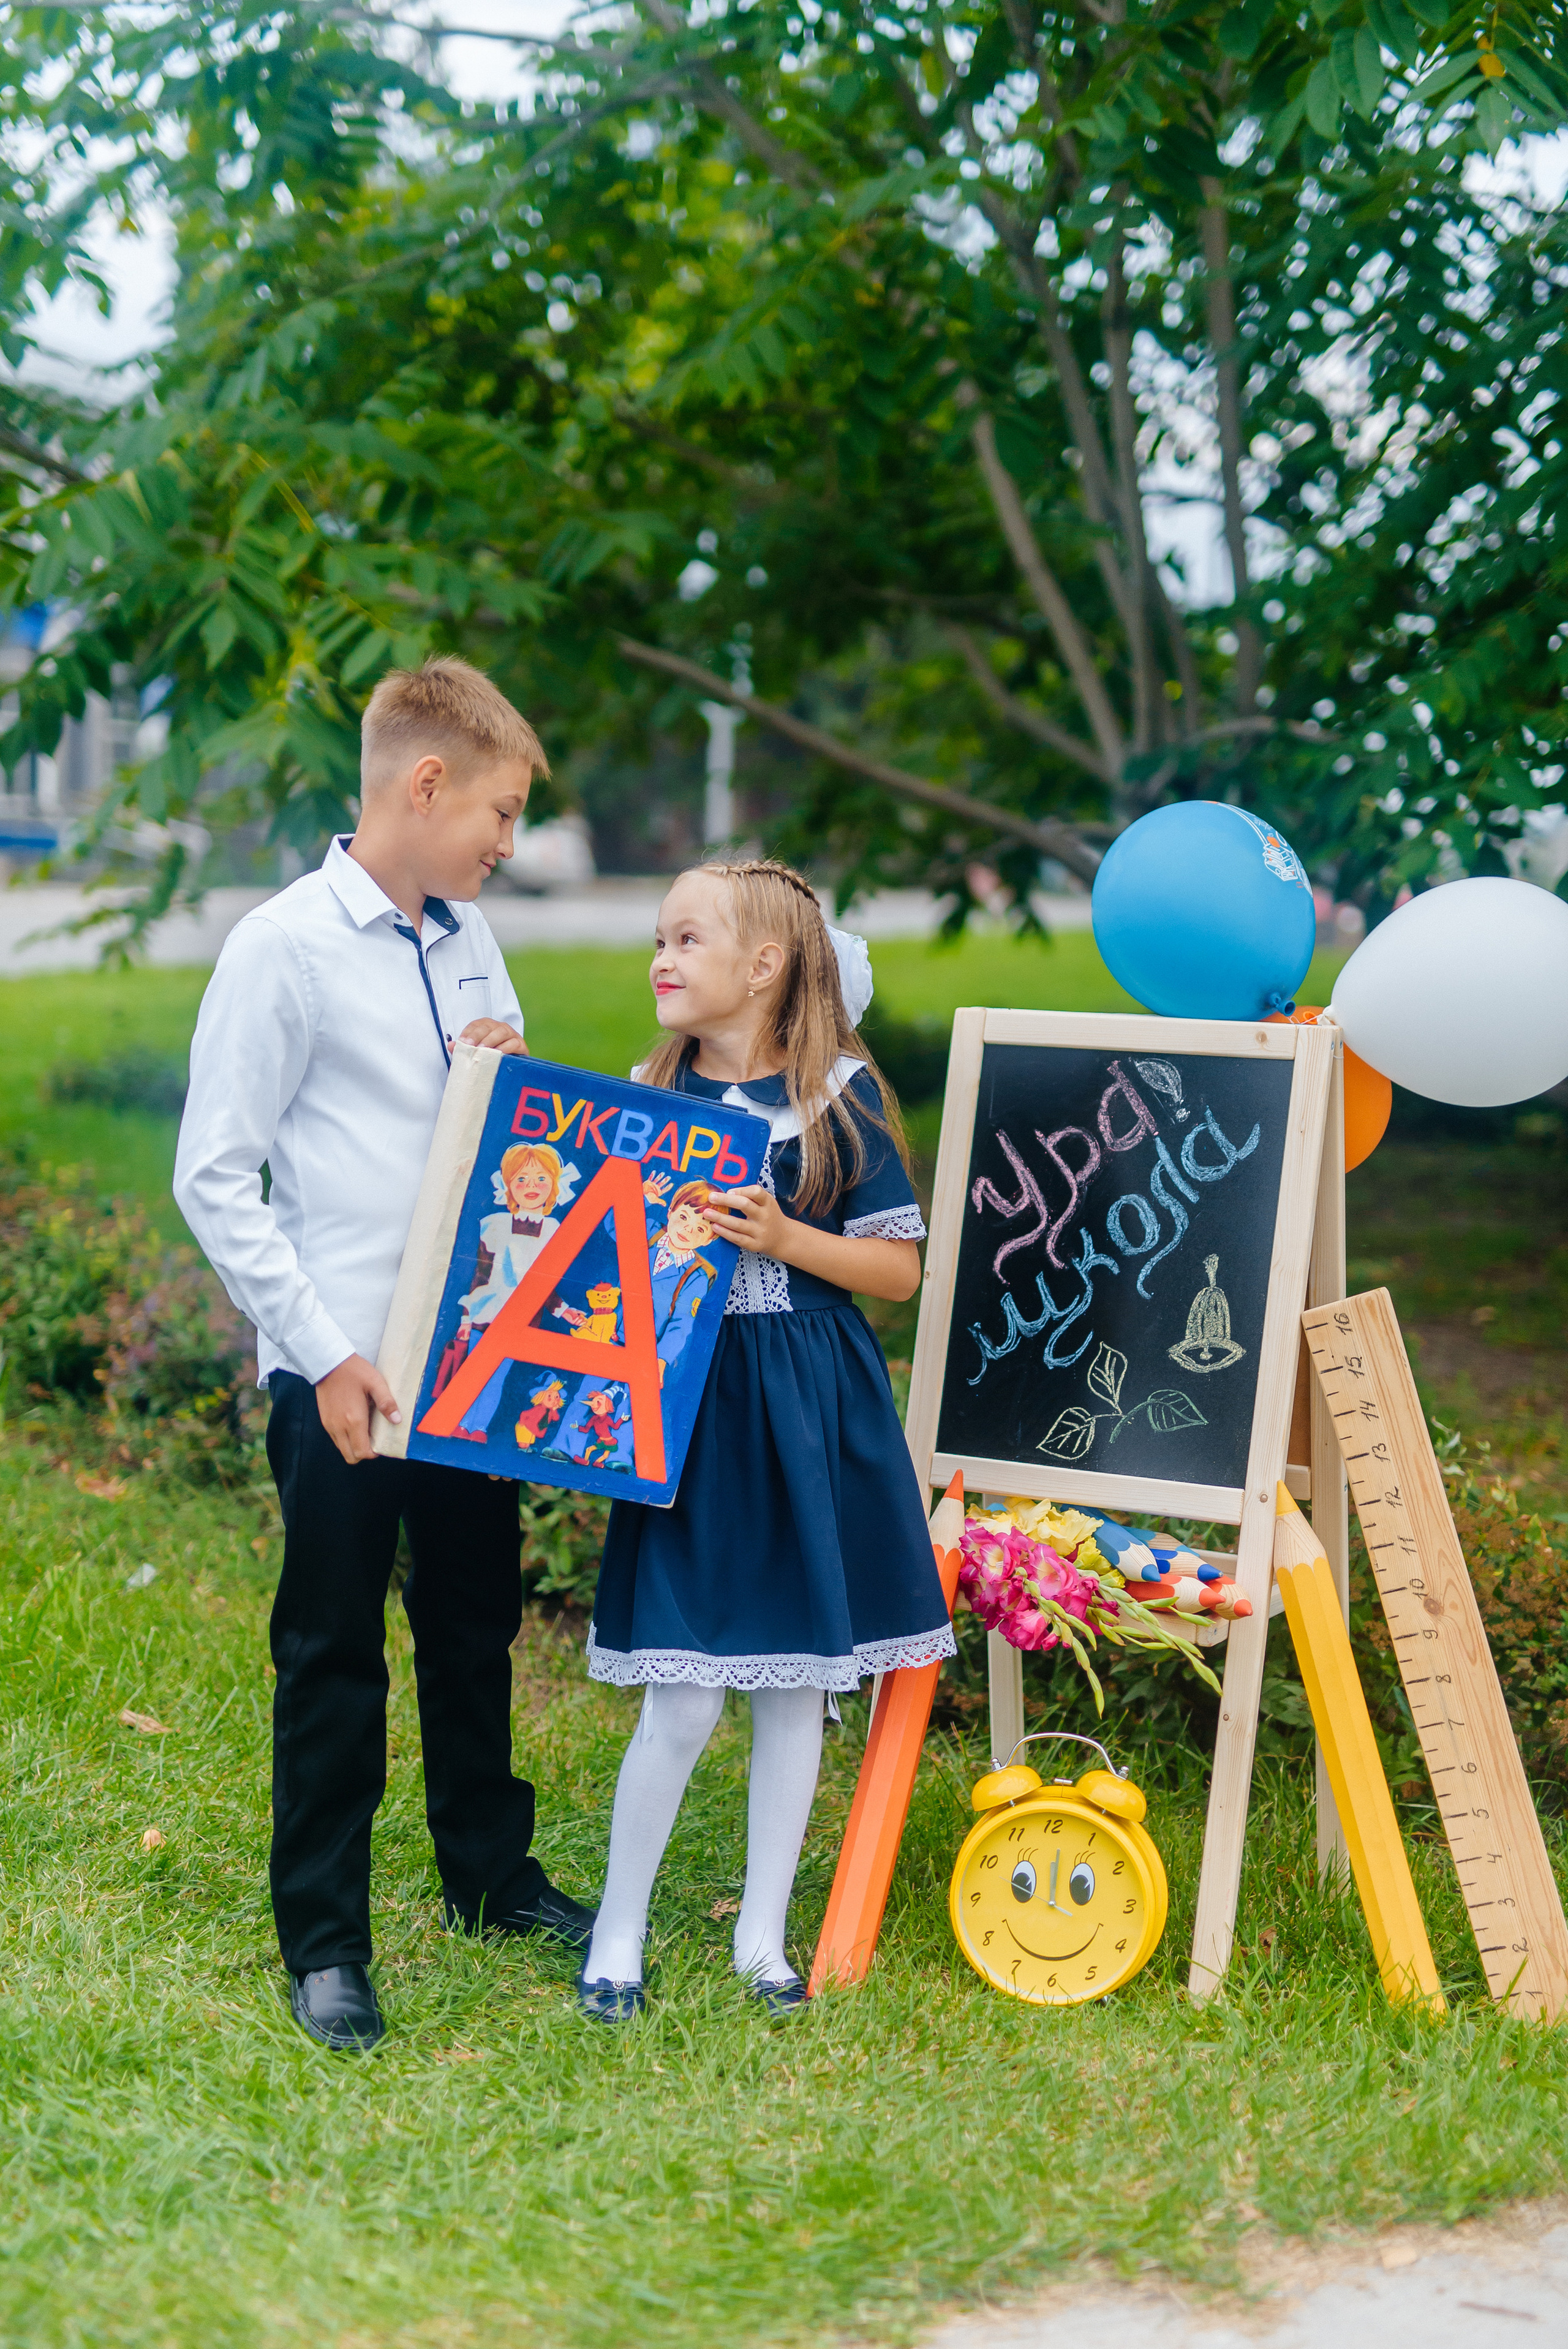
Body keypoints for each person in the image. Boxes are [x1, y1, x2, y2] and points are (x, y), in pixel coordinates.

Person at [173, 657, 597, 2054]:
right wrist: (324, 1350)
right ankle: (327, 1941)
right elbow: (214, 1178)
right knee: (333, 1648)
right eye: (501, 809)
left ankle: (487, 1871)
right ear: (426, 784)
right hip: (342, 1367)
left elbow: (507, 1132)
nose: (508, 841)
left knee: (475, 1625)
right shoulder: (282, 947)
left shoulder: (470, 934)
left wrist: (505, 1065)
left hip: (470, 1354)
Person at [576, 859, 957, 2022]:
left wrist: (787, 1235)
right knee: (684, 1694)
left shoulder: (836, 1101)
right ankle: (617, 1931)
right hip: (689, 1417)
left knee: (796, 1689)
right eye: (658, 937)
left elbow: (899, 1267)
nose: (662, 958)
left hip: (805, 1410)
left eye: (687, 939)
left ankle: (761, 1935)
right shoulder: (643, 1099)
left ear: (764, 965)